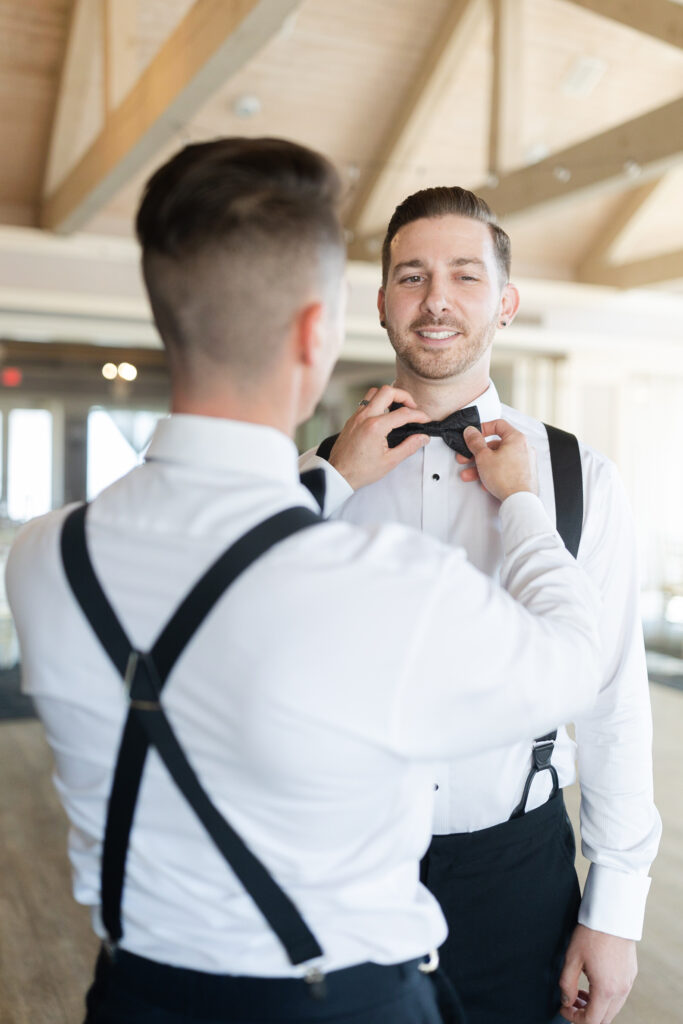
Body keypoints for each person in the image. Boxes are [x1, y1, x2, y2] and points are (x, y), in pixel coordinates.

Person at [7, 141, 602, 1024]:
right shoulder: (382, 581)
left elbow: (226, 571)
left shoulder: (47, 557)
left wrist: (326, 484)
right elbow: (577, 662)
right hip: (343, 1002)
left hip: (133, 995)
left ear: (168, 315)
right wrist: (521, 508)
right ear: (318, 331)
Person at [300, 186, 662, 1024]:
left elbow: (612, 708)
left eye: (464, 275)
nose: (436, 300)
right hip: (341, 870)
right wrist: (326, 486)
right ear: (382, 302)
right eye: (412, 276)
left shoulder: (580, 479)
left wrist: (613, 913)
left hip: (518, 878)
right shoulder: (312, 478)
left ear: (504, 302)